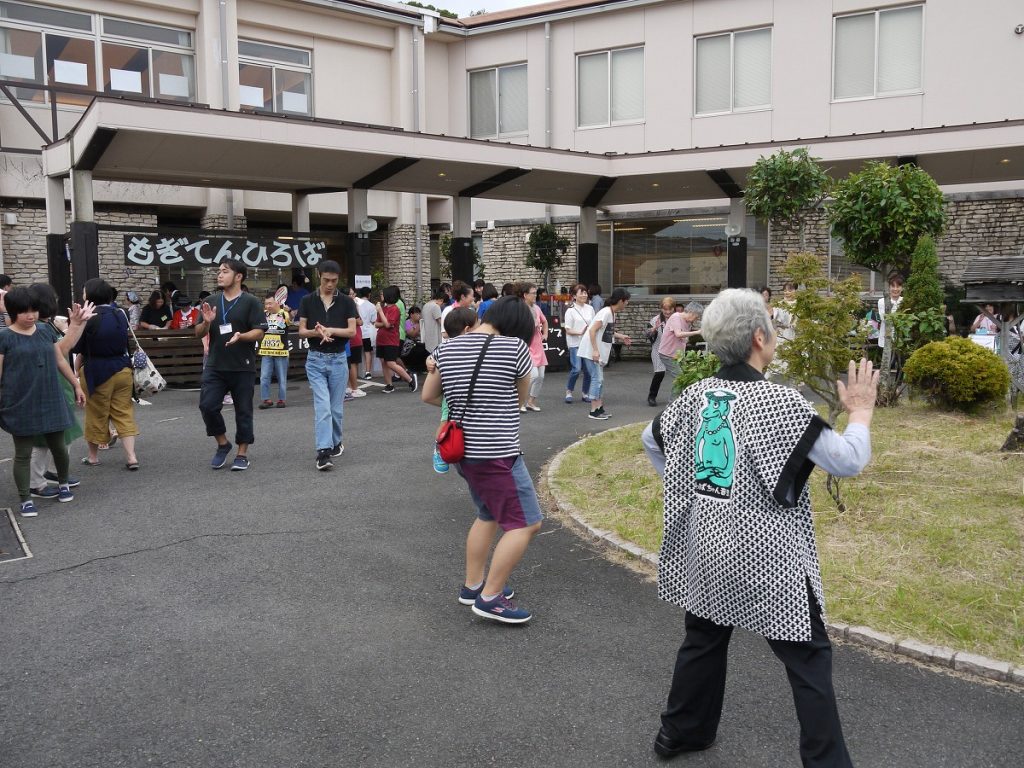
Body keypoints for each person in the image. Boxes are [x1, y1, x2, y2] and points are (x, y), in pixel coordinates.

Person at [641, 288, 878, 768]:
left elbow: (652, 441)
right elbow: (848, 460)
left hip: (706, 545)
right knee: (808, 657)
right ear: (758, 337)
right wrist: (861, 413)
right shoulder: (779, 403)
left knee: (704, 636)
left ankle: (680, 732)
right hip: (770, 557)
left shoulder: (694, 396)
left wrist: (689, 483)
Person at [423, 295, 540, 624]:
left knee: (488, 514)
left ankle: (473, 586)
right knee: (526, 523)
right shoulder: (514, 349)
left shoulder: (446, 349)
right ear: (519, 325)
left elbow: (429, 396)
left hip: (464, 453)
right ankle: (490, 598)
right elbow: (519, 398)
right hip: (498, 453)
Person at [0, 286, 88, 517]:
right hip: (20, 400)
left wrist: (76, 384)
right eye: (24, 312)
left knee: (59, 447)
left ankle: (63, 484)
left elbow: (59, 360)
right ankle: (25, 499)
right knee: (23, 452)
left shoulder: (45, 331)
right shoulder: (4, 337)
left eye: (33, 311)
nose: (30, 316)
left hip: (51, 394)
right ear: (12, 311)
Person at [195, 261, 266, 471]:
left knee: (243, 411)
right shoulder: (210, 300)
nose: (219, 275)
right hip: (215, 365)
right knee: (207, 406)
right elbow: (198, 332)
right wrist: (206, 322)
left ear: (239, 277)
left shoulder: (251, 302)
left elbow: (260, 331)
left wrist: (241, 336)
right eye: (219, 272)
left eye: (225, 272)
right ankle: (223, 444)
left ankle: (242, 453)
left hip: (242, 365)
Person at [72, 278, 140, 470]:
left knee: (96, 413)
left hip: (97, 371)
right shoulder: (121, 313)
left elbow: (78, 346)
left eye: (84, 290)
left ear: (90, 294)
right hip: (123, 368)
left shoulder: (88, 316)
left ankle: (93, 457)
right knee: (123, 412)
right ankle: (131, 457)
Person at [298, 260, 359, 471]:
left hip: (339, 359)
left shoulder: (347, 302)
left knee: (335, 409)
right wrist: (317, 332)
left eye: (334, 281)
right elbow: (302, 330)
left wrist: (330, 330)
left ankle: (336, 441)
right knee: (323, 407)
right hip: (315, 359)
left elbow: (352, 331)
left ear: (338, 279)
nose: (330, 285)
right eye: (326, 280)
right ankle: (323, 452)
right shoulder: (307, 300)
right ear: (318, 276)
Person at [27, 283, 83, 500]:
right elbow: (61, 351)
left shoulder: (43, 325)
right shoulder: (40, 328)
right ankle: (36, 483)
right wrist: (78, 325)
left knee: (55, 438)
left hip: (56, 386)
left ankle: (52, 475)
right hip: (49, 387)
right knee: (44, 441)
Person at [428, 306, 479, 474]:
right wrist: (429, 362)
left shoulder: (478, 346)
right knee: (445, 421)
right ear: (467, 329)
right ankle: (439, 447)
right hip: (450, 394)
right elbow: (431, 358)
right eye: (478, 325)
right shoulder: (445, 348)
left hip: (465, 392)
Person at [577, 287, 632, 420]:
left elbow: (607, 332)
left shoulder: (611, 313)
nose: (627, 304)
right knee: (597, 379)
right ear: (620, 301)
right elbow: (592, 330)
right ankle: (593, 411)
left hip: (597, 352)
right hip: (591, 351)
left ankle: (599, 408)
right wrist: (595, 350)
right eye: (626, 301)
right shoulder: (606, 312)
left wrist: (621, 336)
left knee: (599, 380)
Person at [375, 286, 417, 394]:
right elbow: (376, 323)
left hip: (391, 339)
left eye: (383, 294)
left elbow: (388, 324)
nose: (381, 296)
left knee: (391, 363)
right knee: (384, 362)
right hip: (381, 338)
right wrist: (383, 321)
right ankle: (389, 385)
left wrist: (380, 314)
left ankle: (410, 379)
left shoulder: (394, 309)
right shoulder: (384, 309)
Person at [515, 281, 548, 412]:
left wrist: (545, 334)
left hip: (538, 345)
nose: (535, 295)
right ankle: (520, 401)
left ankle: (531, 401)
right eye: (533, 293)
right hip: (526, 346)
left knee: (541, 376)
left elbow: (545, 321)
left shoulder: (537, 308)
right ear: (525, 295)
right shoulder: (520, 309)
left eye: (536, 293)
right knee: (532, 375)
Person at [258, 291, 290, 409]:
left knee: (282, 377)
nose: (268, 306)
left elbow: (290, 319)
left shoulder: (284, 314)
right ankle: (266, 399)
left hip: (281, 351)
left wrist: (288, 311)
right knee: (264, 376)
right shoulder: (263, 315)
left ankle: (281, 399)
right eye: (266, 304)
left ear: (277, 302)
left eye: (270, 303)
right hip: (266, 351)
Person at [562, 283, 594, 404]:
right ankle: (569, 391)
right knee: (576, 368)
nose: (584, 294)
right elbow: (568, 329)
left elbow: (594, 325)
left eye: (585, 292)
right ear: (574, 296)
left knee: (588, 370)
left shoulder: (590, 309)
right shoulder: (570, 311)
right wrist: (580, 332)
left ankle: (585, 393)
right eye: (581, 292)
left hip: (588, 343)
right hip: (575, 343)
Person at [658, 301, 703, 382]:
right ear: (691, 312)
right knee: (681, 379)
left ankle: (681, 394)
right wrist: (697, 332)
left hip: (678, 355)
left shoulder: (687, 322)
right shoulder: (676, 317)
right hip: (667, 354)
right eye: (696, 317)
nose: (695, 320)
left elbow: (684, 338)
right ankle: (679, 395)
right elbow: (678, 334)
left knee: (683, 379)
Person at [647, 296, 675, 407]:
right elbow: (647, 334)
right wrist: (653, 329)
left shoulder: (677, 318)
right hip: (658, 349)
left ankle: (678, 397)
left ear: (674, 308)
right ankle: (651, 397)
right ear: (661, 308)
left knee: (678, 375)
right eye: (665, 309)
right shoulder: (655, 320)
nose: (667, 312)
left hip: (673, 350)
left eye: (670, 309)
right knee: (659, 373)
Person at [356, 286, 378, 379]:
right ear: (369, 294)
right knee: (367, 352)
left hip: (357, 331)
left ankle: (354, 371)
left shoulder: (356, 303)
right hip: (367, 332)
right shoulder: (372, 306)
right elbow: (374, 321)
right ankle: (368, 372)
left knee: (356, 352)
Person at [877, 274, 903, 350]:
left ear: (902, 288)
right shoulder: (882, 301)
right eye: (893, 286)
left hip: (901, 337)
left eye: (898, 286)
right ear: (889, 288)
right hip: (886, 336)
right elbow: (884, 318)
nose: (895, 289)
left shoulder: (904, 301)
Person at [401, 305, 429, 373]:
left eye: (419, 313)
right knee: (418, 350)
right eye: (417, 313)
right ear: (411, 314)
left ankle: (424, 368)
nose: (419, 315)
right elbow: (412, 334)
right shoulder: (407, 323)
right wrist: (419, 324)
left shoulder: (422, 323)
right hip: (410, 344)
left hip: (421, 342)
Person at [420, 287, 446, 355]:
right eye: (443, 304)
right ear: (441, 300)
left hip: (428, 337)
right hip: (435, 337)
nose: (442, 306)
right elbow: (441, 322)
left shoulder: (426, 305)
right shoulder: (435, 306)